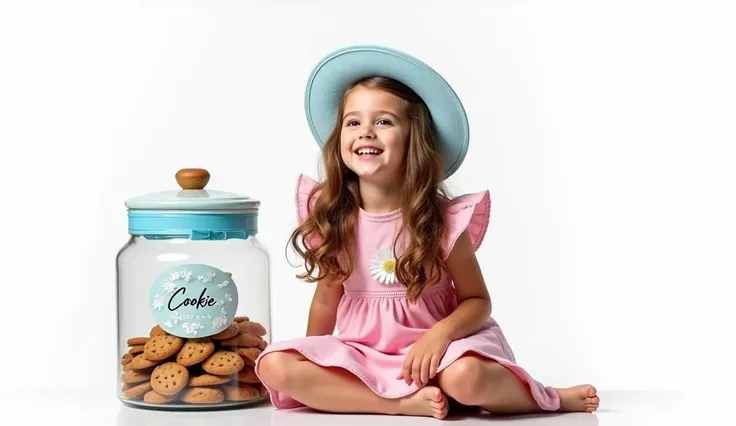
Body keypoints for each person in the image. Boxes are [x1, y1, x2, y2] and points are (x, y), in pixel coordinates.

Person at [255, 45, 599, 419]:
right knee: (275, 365)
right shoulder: (334, 218)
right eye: (353, 122)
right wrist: (314, 358)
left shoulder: (441, 220)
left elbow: (477, 301)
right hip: (367, 354)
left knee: (465, 377)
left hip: (443, 354)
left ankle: (547, 397)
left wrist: (439, 337)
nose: (366, 132)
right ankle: (398, 404)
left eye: (383, 122)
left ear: (413, 138)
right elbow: (325, 302)